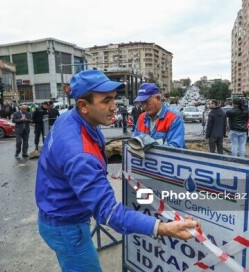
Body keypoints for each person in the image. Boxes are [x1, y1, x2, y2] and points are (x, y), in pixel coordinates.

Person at [35, 70, 199, 272]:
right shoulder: (80, 155)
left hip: (62, 214)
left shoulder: (72, 118)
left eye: (114, 98)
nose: (114, 107)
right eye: (106, 101)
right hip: (66, 225)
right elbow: (110, 212)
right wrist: (163, 228)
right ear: (83, 106)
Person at [133, 83, 185, 148]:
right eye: (141, 103)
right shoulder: (141, 117)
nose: (144, 106)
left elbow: (175, 149)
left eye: (146, 102)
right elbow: (134, 142)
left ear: (158, 98)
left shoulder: (174, 118)